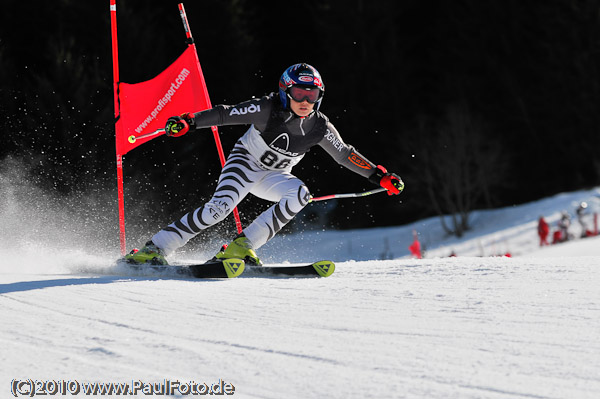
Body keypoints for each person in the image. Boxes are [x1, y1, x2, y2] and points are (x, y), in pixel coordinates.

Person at [124, 63, 404, 265]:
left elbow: (344, 153)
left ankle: (241, 247)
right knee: (218, 210)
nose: (305, 101)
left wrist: (378, 175)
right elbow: (226, 114)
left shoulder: (320, 126)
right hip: (244, 163)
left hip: (275, 175)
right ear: (285, 91)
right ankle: (155, 248)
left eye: (312, 95)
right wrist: (190, 121)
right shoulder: (267, 109)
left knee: (300, 195)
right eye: (299, 93)